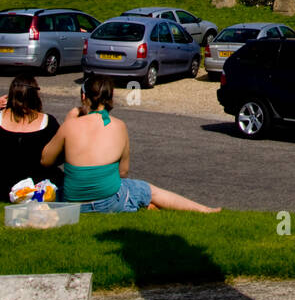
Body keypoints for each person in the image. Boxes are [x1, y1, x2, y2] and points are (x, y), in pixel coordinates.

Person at [41, 75, 220, 213]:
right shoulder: (119, 126)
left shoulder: (70, 125)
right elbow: (123, 172)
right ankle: (204, 210)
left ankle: (140, 205)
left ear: (83, 96)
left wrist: (68, 122)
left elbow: (46, 160)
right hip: (108, 200)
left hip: (72, 202)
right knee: (147, 189)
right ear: (110, 97)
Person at [0, 76, 61, 200]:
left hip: (3, 186)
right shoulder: (49, 122)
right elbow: (59, 158)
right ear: (35, 96)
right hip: (37, 187)